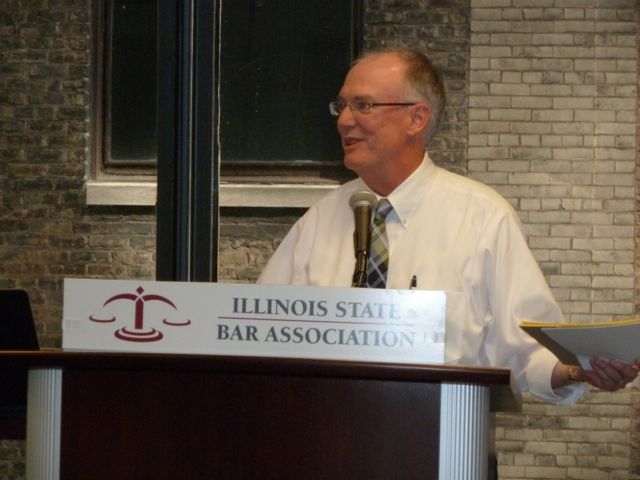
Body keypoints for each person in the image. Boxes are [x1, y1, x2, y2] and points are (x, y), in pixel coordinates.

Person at [258, 47, 639, 403]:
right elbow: (259, 333)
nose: (344, 120)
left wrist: (578, 370)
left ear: (416, 118)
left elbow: (527, 352)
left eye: (364, 105)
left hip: (442, 434)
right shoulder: (319, 220)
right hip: (328, 430)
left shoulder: (482, 217)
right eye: (341, 106)